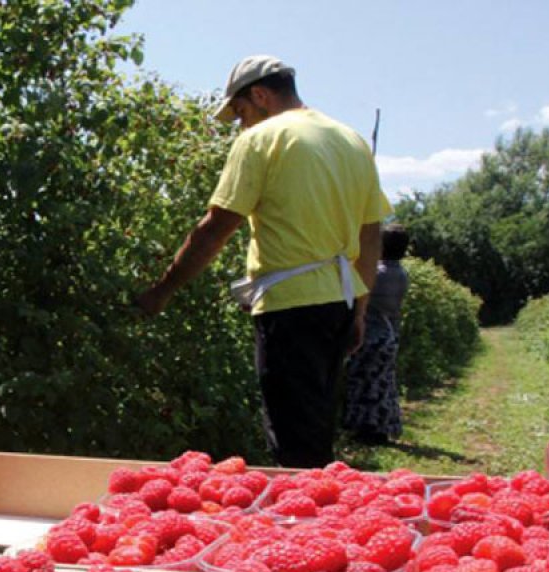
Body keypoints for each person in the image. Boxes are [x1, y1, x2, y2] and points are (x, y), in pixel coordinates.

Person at [136, 54, 392, 468]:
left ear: (260, 95)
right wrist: (359, 309)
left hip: (290, 306)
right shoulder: (351, 140)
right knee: (317, 426)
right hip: (340, 302)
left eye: (241, 113)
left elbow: (216, 228)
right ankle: (319, 515)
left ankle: (302, 527)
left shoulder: (262, 139)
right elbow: (369, 234)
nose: (242, 125)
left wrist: (161, 292)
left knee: (293, 440)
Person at [343, 223, 411, 444]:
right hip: (389, 334)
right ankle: (381, 429)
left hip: (370, 335)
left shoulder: (377, 274)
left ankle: (366, 432)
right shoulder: (400, 273)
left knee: (365, 382)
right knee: (383, 384)